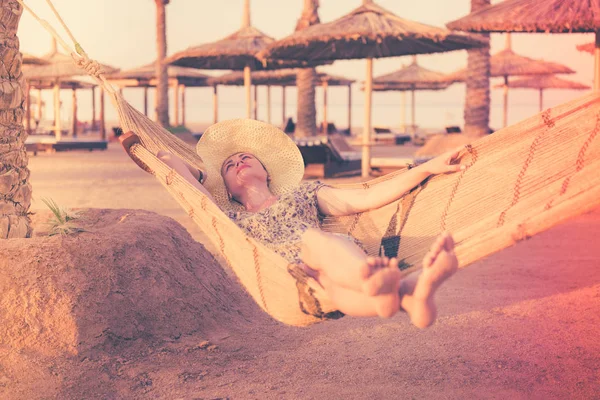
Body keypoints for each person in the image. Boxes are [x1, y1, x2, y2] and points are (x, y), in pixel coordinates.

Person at [120, 119, 464, 328]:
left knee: (323, 249)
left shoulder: (304, 193)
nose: (239, 162)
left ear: (267, 171)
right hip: (292, 275)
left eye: (246, 158)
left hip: (326, 256)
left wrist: (425, 168)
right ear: (224, 186)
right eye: (229, 166)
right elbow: (167, 162)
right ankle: (404, 289)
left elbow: (367, 198)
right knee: (326, 281)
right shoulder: (229, 217)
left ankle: (398, 296)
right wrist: (202, 174)